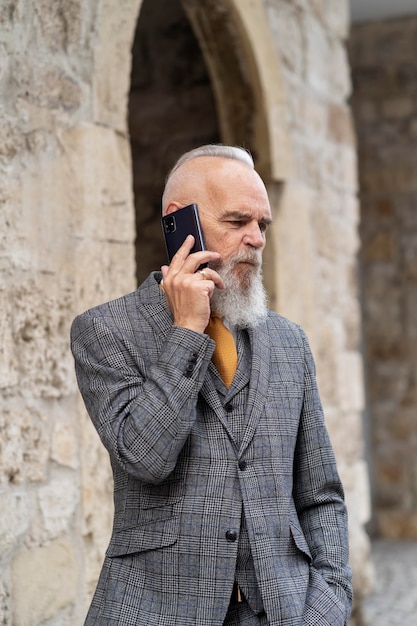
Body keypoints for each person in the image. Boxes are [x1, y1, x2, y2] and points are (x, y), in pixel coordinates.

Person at [71, 144, 353, 625]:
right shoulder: (104, 331)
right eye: (238, 220)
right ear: (180, 222)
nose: (256, 239)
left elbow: (320, 494)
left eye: (261, 225)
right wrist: (184, 333)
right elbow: (145, 457)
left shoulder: (290, 343)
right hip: (157, 612)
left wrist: (329, 604)